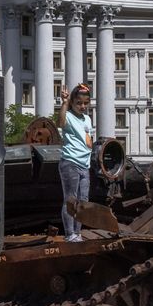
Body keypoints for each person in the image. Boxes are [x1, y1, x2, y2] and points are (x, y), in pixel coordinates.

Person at [57, 84, 95, 242]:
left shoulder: (87, 119)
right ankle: (70, 234)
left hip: (84, 165)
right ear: (72, 102)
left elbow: (88, 139)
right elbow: (60, 122)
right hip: (70, 162)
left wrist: (89, 146)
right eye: (79, 103)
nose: (83, 106)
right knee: (71, 200)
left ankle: (77, 234)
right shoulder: (69, 116)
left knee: (83, 201)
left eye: (86, 103)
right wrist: (64, 103)